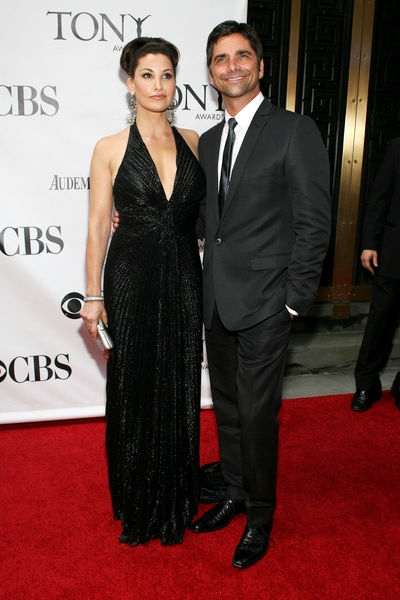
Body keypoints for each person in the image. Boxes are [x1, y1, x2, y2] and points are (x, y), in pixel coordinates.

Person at [189, 21, 331, 569]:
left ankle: (261, 516)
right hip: (217, 300)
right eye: (221, 59)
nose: (232, 67)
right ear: (211, 72)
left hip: (269, 301)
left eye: (242, 56)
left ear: (261, 66)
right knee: (226, 407)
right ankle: (233, 492)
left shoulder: (294, 130)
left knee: (257, 413)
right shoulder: (208, 140)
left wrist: (295, 299)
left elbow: (315, 223)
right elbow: (211, 221)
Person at [80, 37, 205, 546]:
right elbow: (95, 227)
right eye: (147, 75)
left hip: (183, 274)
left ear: (177, 82)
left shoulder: (196, 140)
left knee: (178, 382)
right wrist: (92, 295)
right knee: (133, 385)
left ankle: (174, 492)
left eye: (167, 74)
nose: (159, 85)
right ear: (130, 83)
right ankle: (135, 495)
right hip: (130, 275)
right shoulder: (109, 147)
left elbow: (207, 216)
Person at [351, 138, 400, 412]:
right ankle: (366, 384)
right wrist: (370, 243)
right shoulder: (396, 148)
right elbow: (379, 197)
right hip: (394, 253)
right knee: (380, 321)